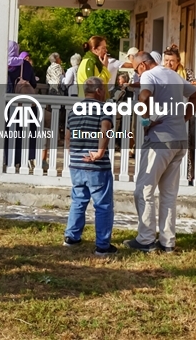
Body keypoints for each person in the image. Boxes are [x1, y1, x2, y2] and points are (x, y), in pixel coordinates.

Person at [127, 51, 196, 254]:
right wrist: (184, 118)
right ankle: (168, 241)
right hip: (179, 139)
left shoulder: (148, 76)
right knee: (168, 194)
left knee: (144, 190)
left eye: (135, 69)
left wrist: (145, 119)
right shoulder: (173, 74)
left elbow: (145, 95)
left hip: (160, 140)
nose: (137, 73)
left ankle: (146, 239)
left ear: (142, 65)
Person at [63, 77, 118, 258]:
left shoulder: (74, 110)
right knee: (102, 205)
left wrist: (73, 154)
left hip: (76, 163)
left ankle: (72, 236)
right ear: (99, 91)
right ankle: (102, 245)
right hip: (96, 164)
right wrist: (100, 152)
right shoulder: (103, 108)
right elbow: (105, 129)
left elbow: (68, 137)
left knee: (78, 200)